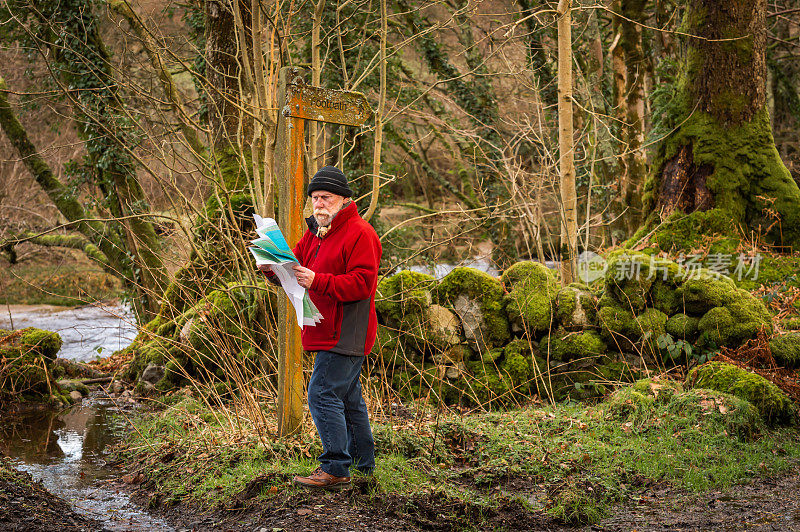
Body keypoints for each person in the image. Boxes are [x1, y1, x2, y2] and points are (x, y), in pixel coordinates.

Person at [259, 166, 382, 490]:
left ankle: (335, 468)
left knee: (322, 391)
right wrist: (271, 268)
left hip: (347, 331)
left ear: (343, 199)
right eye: (315, 198)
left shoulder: (361, 233)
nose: (319, 204)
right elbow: (293, 266)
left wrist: (319, 280)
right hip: (323, 327)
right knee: (348, 398)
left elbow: (363, 282)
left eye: (325, 198)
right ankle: (362, 465)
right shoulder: (314, 234)